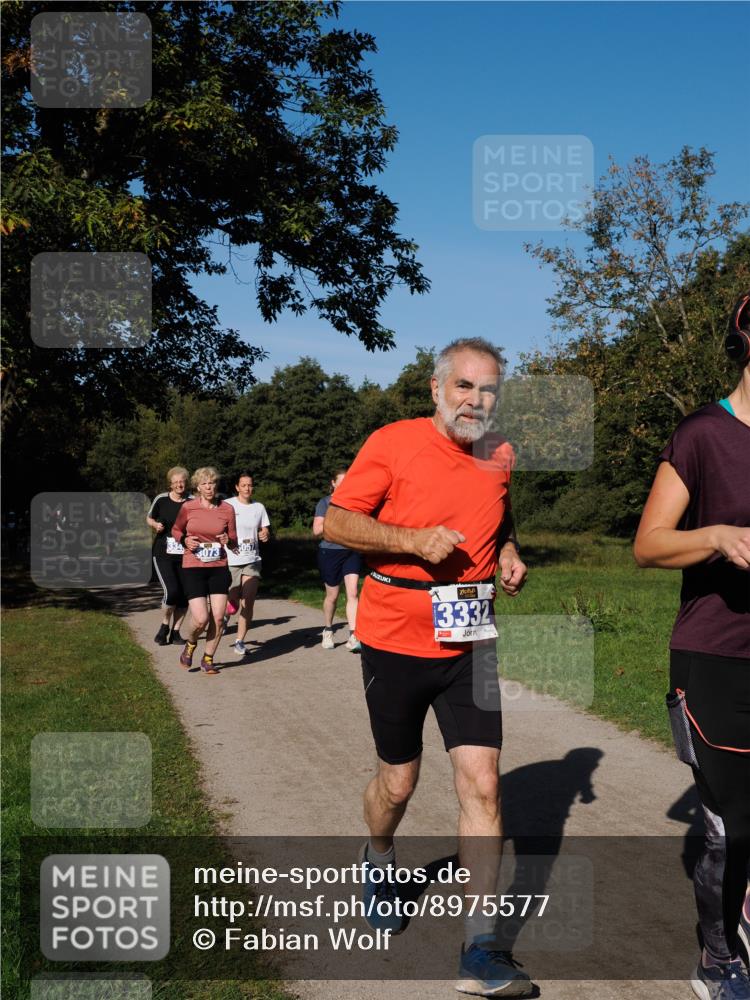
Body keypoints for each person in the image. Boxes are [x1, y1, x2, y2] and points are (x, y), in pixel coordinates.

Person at [324, 338, 531, 997]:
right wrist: (411, 540)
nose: (476, 400)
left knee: (483, 784)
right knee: (399, 784)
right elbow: (336, 523)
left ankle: (480, 949)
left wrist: (507, 553)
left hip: (470, 637)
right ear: (436, 389)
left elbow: (500, 518)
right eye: (464, 386)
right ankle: (379, 858)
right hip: (395, 633)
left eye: (489, 389)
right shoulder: (393, 442)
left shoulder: (500, 453)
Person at [634, 292, 750, 1000]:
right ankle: (717, 961)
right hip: (718, 657)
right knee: (731, 823)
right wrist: (715, 537)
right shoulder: (704, 433)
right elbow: (647, 545)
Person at [172, 466, 237, 675]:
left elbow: (233, 540)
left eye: (212, 483)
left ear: (216, 485)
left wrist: (229, 541)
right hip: (193, 566)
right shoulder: (189, 508)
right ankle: (191, 644)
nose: (209, 487)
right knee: (201, 618)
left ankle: (208, 658)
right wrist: (184, 539)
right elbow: (176, 530)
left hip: (218, 566)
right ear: (198, 487)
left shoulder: (227, 509)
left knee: (218, 617)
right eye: (204, 484)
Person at [313, 468, 363, 652]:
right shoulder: (325, 503)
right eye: (341, 483)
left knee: (353, 593)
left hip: (351, 551)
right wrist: (336, 520)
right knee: (332, 596)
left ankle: (353, 635)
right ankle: (328, 630)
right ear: (333, 484)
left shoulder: (356, 503)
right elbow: (317, 530)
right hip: (330, 552)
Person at [224, 471, 271, 657]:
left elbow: (264, 529)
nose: (247, 488)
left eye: (250, 485)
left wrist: (265, 534)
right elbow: (219, 526)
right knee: (233, 596)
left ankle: (239, 640)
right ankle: (230, 605)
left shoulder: (259, 507)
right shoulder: (228, 504)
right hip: (232, 560)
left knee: (248, 601)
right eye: (243, 485)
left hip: (252, 559)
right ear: (237, 487)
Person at [146, 467, 190, 645]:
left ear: (186, 483)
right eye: (176, 481)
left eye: (182, 481)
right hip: (163, 552)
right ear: (170, 484)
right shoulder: (161, 499)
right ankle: (164, 625)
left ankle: (176, 632)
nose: (179, 484)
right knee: (171, 591)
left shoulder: (192, 502)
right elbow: (149, 518)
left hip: (187, 553)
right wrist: (155, 525)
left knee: (185, 595)